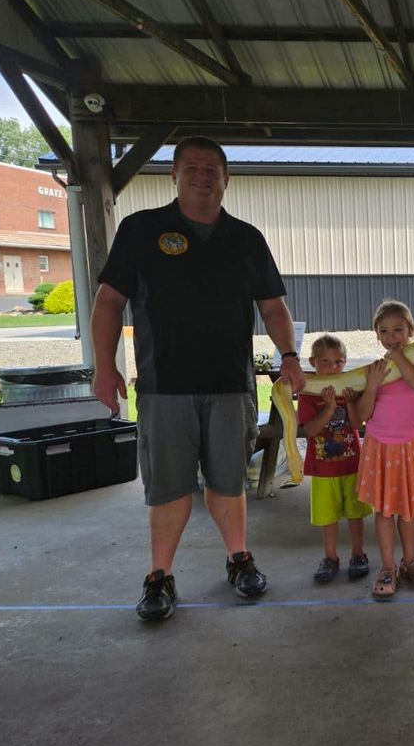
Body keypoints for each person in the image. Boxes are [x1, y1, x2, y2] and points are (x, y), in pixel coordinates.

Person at [91, 136, 304, 623]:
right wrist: (107, 366)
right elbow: (108, 301)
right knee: (168, 488)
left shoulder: (246, 238)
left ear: (227, 179)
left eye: (213, 169)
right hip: (165, 386)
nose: (203, 176)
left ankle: (238, 559)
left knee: (228, 482)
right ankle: (159, 576)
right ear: (174, 174)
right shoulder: (141, 229)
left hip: (231, 383)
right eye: (192, 167)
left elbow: (272, 307)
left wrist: (289, 354)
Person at [356, 299, 414, 600]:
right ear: (377, 335)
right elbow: (362, 413)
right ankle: (388, 566)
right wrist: (373, 384)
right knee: (384, 511)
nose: (392, 337)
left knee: (408, 510)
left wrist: (399, 356)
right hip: (379, 447)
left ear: (411, 331)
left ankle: (410, 561)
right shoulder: (374, 370)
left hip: (408, 446)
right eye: (385, 331)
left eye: (398, 330)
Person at [298, 334, 373, 584]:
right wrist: (329, 408)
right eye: (326, 362)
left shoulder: (348, 388)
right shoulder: (308, 393)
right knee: (327, 517)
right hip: (322, 469)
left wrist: (350, 402)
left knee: (355, 513)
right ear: (312, 362)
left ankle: (358, 554)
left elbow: (355, 423)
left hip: (352, 465)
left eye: (339, 362)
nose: (333, 367)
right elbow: (309, 430)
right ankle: (330, 558)